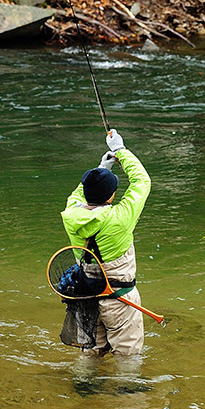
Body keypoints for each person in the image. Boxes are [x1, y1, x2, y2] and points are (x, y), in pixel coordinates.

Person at [61, 128, 151, 356]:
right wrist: (120, 150)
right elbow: (142, 181)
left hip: (85, 297)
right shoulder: (120, 218)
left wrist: (102, 168)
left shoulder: (71, 212)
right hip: (120, 300)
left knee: (90, 353)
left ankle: (83, 388)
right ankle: (128, 390)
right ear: (110, 196)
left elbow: (81, 192)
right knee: (128, 357)